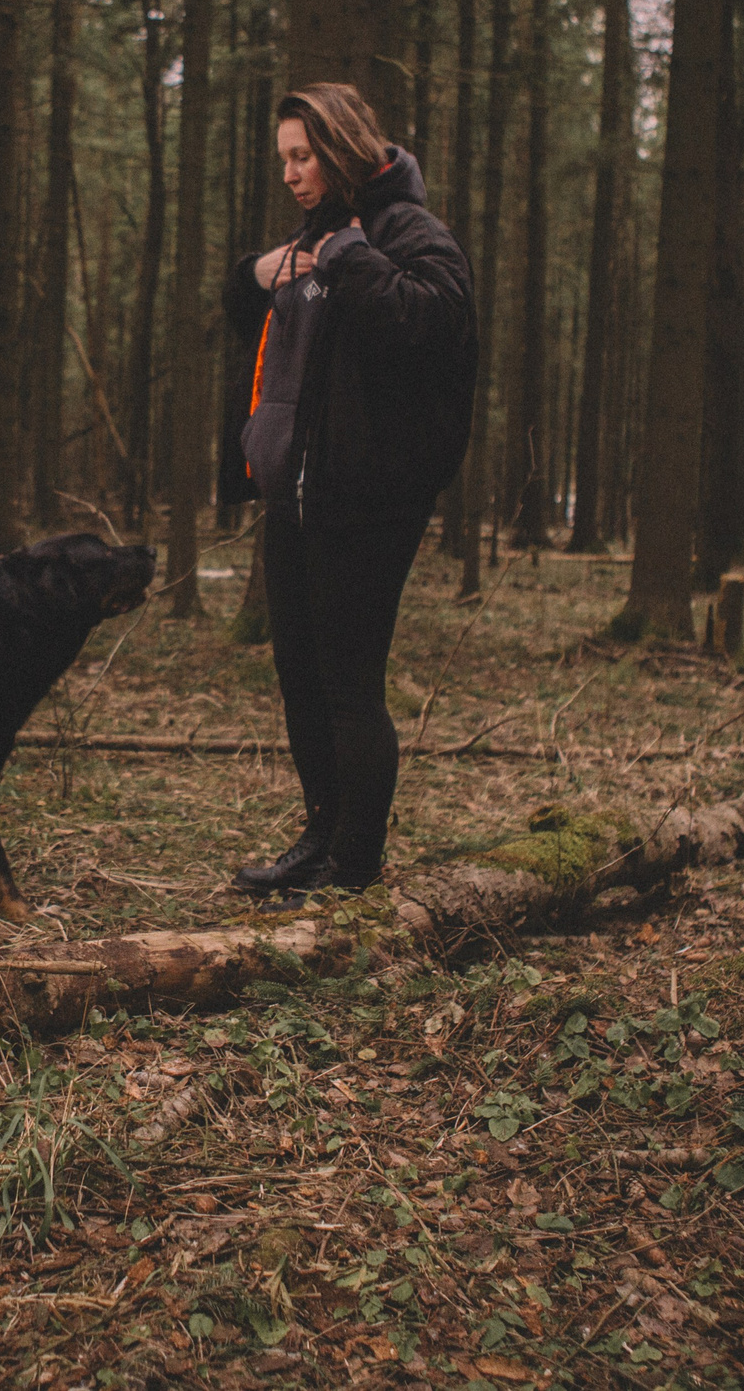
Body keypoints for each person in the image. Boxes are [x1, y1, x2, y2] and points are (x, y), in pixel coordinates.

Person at [222, 83, 475, 896]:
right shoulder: (318, 235)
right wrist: (255, 273)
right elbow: (255, 315)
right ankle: (320, 836)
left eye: (303, 157)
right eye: (284, 159)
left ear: (340, 148)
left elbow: (432, 322)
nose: (291, 175)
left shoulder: (408, 231)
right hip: (299, 494)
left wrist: (351, 258)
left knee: (348, 684)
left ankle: (356, 864)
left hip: (369, 504)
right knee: (298, 673)